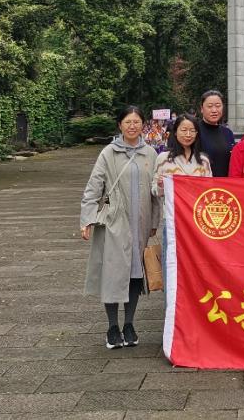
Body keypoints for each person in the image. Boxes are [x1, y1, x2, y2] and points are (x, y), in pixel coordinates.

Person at [80, 106, 159, 349]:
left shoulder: (150, 153)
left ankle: (129, 324)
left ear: (143, 125)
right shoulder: (109, 153)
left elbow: (155, 193)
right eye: (128, 122)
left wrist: (154, 222)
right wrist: (87, 219)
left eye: (136, 122)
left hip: (140, 223)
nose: (132, 126)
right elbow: (94, 186)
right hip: (115, 223)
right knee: (113, 273)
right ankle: (113, 326)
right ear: (120, 125)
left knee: (135, 273)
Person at [152, 114, 211, 268]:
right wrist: (160, 185)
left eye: (192, 130)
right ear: (175, 132)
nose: (188, 134)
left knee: (197, 264)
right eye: (183, 130)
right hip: (172, 221)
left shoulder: (204, 161)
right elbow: (155, 191)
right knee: (172, 263)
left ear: (197, 134)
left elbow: (210, 193)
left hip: (198, 221)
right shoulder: (163, 158)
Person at [197, 90, 235, 178]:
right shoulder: (194, 131)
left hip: (225, 184)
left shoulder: (228, 133)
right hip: (202, 183)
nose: (214, 110)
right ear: (202, 109)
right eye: (209, 106)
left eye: (218, 106)